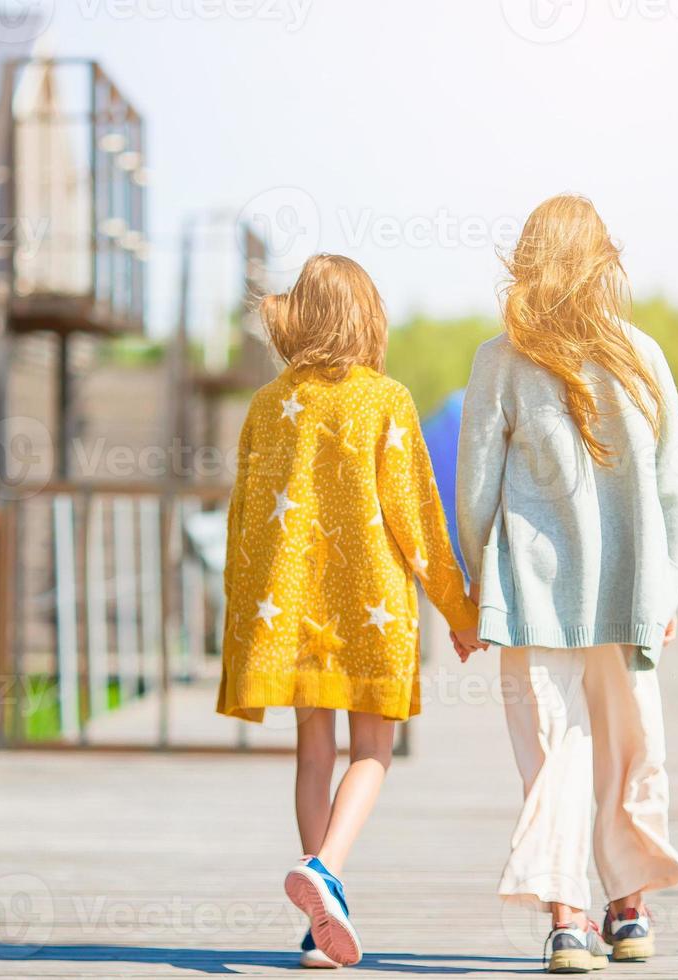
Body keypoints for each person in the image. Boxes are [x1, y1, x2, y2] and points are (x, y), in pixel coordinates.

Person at [216, 253, 480, 969]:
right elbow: (419, 520)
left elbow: (245, 523)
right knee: (373, 752)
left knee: (312, 753)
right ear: (367, 318)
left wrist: (242, 629)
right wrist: (458, 610)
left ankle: (318, 923)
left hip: (291, 611)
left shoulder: (269, 405)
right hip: (371, 613)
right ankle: (326, 869)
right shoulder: (384, 401)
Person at [455, 194, 678, 972]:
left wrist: (473, 587)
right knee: (631, 746)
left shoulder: (500, 359)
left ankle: (567, 919)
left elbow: (476, 490)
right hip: (629, 592)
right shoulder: (642, 354)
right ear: (603, 263)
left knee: (554, 754)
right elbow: (672, 487)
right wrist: (670, 584)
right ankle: (629, 909)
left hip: (529, 595)